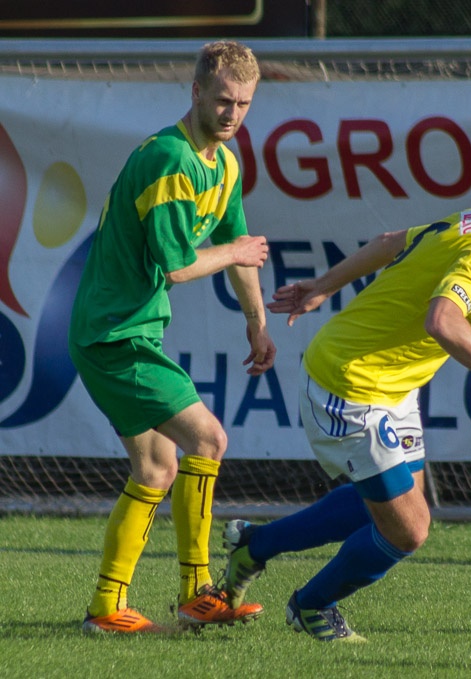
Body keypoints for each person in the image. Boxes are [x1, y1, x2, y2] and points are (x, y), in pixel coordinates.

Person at [220, 155, 471, 643]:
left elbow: (391, 242)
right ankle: (311, 605)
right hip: (352, 387)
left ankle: (255, 544)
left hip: (390, 388)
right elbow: (441, 320)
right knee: (410, 529)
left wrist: (323, 285)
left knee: (387, 506)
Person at [68, 41, 276, 634]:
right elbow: (178, 264)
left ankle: (107, 609)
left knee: (157, 469)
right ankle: (196, 592)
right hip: (115, 336)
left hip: (124, 332)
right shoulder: (169, 158)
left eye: (243, 103)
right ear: (195, 93)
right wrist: (236, 250)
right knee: (207, 439)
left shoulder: (225, 162)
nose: (232, 113)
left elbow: (239, 254)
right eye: (223, 100)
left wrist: (256, 323)